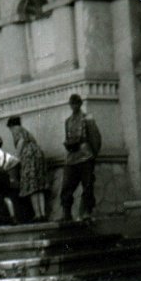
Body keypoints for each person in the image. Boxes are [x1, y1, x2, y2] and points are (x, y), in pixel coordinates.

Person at [60, 94, 102, 222]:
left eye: (76, 103)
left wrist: (93, 155)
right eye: (72, 103)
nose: (74, 106)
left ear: (80, 104)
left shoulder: (87, 118)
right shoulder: (68, 121)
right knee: (66, 186)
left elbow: (95, 137)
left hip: (85, 155)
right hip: (71, 157)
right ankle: (66, 213)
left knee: (87, 185)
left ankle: (86, 212)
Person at [6, 115, 48, 222]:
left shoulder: (16, 131)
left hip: (28, 157)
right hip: (38, 155)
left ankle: (38, 214)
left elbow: (20, 146)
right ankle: (43, 213)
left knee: (32, 186)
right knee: (39, 187)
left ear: (11, 126)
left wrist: (11, 163)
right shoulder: (26, 131)